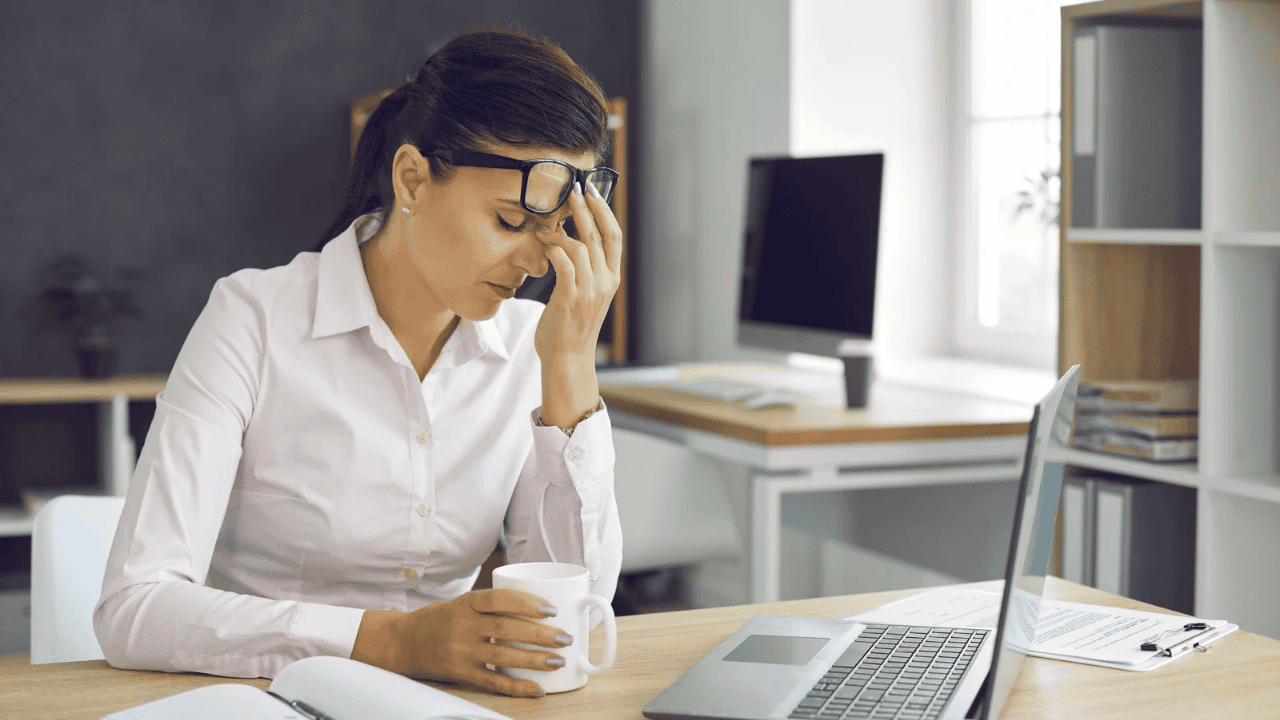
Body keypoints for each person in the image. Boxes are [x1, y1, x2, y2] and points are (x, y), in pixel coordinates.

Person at [93, 29, 624, 699]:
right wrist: (396, 642)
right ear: (412, 178)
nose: (539, 261)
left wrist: (572, 367)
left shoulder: (534, 348)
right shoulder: (252, 320)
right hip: (263, 699)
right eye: (510, 221)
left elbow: (573, 622)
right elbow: (135, 607)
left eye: (559, 231)